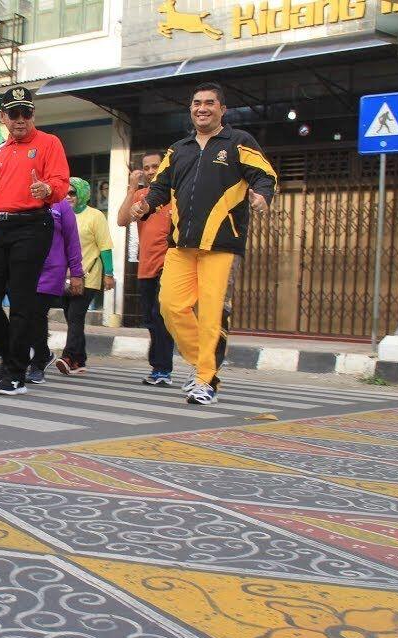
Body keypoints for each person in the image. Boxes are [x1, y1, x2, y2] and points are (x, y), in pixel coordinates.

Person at [131, 82, 277, 405]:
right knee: (169, 306)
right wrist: (145, 206)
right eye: (197, 103)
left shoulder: (238, 142)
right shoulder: (178, 149)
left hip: (222, 245)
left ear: (222, 109)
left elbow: (265, 175)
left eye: (210, 103)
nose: (202, 108)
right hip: (181, 245)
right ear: (191, 108)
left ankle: (206, 379)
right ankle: (205, 367)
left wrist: (262, 196)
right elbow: (159, 188)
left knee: (212, 315)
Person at [0, 86, 70, 396]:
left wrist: (47, 190)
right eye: (14, 113)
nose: (21, 119)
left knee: (21, 302)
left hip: (33, 226)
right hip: (0, 227)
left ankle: (15, 375)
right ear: (3, 117)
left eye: (26, 112)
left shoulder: (50, 143)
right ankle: (14, 358)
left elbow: (61, 182)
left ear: (33, 114)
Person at [117, 151, 177, 386]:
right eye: (147, 167)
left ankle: (162, 369)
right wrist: (132, 188)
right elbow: (122, 221)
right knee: (151, 319)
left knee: (162, 317)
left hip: (170, 265)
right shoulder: (142, 196)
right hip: (146, 266)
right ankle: (159, 368)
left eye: (156, 166)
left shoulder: (175, 195)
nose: (152, 171)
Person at [54, 177, 115, 375]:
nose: (68, 196)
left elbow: (105, 247)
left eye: (72, 193)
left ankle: (69, 356)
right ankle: (80, 360)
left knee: (75, 316)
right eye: (65, 192)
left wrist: (109, 274)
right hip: (65, 277)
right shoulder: (61, 214)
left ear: (82, 194)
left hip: (89, 276)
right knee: (72, 318)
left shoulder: (95, 216)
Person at [26, 196, 84, 384]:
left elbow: (72, 240)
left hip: (52, 269)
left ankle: (37, 365)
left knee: (37, 313)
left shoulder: (62, 206)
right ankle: (43, 353)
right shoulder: (22, 198)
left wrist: (76, 273)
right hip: (25, 267)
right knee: (25, 315)